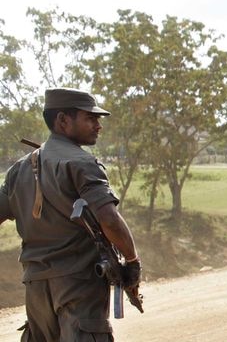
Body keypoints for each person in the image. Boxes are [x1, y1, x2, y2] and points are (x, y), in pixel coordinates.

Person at [0, 87, 141, 341]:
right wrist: (132, 261)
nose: (98, 126)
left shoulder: (18, 170)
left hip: (36, 287)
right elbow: (109, 220)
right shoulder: (82, 163)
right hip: (78, 284)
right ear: (63, 120)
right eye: (90, 118)